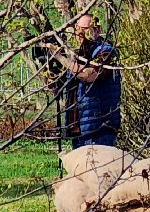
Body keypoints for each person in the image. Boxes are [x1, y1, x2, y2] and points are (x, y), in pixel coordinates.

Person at [50, 14, 121, 148]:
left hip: (99, 127)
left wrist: (60, 58)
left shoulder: (105, 52)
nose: (80, 34)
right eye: (78, 30)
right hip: (80, 127)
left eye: (85, 29)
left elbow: (88, 76)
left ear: (98, 30)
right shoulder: (79, 54)